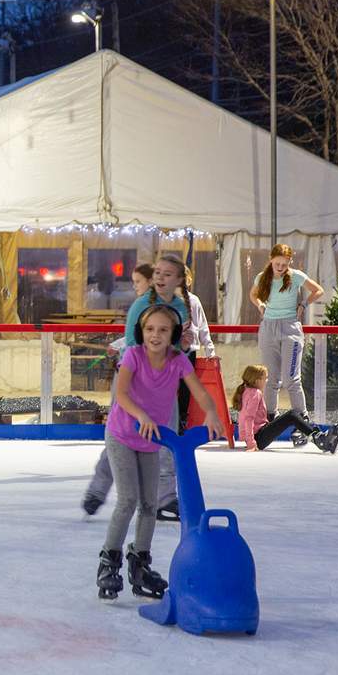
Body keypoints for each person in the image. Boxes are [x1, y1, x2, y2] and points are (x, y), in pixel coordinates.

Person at [96, 304, 227, 601]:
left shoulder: (178, 361)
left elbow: (199, 390)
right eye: (150, 329)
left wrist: (212, 413)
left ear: (174, 334)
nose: (155, 335)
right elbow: (122, 394)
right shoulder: (133, 356)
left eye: (163, 330)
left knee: (149, 505)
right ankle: (109, 562)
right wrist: (141, 416)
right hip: (122, 434)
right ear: (141, 332)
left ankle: (140, 562)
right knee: (128, 500)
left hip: (151, 439)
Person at [83, 254, 191, 519]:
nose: (161, 278)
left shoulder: (181, 307)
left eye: (168, 274)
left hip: (165, 385)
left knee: (166, 438)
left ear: (179, 280)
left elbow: (177, 346)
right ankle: (97, 490)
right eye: (158, 273)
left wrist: (182, 348)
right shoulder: (141, 306)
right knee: (121, 436)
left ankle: (165, 498)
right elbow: (133, 348)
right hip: (134, 383)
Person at [249, 244, 323, 434]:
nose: (281, 267)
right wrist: (260, 306)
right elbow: (253, 295)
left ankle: (303, 419)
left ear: (289, 262)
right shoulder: (262, 277)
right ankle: (270, 418)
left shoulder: (296, 276)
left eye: (285, 264)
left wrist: (304, 304)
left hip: (290, 328)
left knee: (291, 378)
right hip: (268, 328)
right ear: (271, 259)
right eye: (277, 263)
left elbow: (318, 290)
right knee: (270, 378)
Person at [234, 364, 338, 453]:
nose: (266, 381)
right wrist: (251, 443)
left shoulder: (245, 390)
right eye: (265, 378)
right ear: (257, 380)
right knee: (292, 415)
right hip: (258, 438)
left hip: (257, 434)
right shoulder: (255, 393)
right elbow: (248, 418)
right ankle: (320, 439)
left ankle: (319, 435)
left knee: (294, 416)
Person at [177, 265, 216, 431]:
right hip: (169, 350)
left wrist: (210, 350)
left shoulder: (194, 300)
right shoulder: (167, 300)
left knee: (186, 387)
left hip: (189, 351)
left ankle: (181, 419)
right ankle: (168, 418)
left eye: (185, 277)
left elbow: (203, 327)